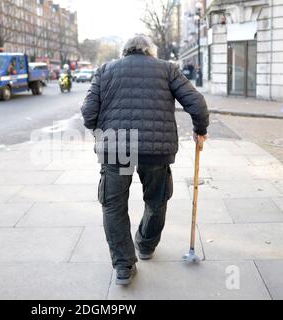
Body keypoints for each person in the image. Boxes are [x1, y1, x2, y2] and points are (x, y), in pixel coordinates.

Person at [81, 35, 209, 286]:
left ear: (124, 52)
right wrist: (200, 128)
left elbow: (88, 112)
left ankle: (123, 266)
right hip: (155, 149)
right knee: (157, 198)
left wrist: (100, 131)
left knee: (113, 205)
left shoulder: (105, 70)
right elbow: (197, 103)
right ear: (151, 51)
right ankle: (146, 244)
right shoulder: (167, 69)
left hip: (116, 147)